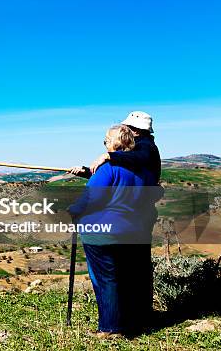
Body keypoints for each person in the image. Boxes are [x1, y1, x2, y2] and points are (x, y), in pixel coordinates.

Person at [68, 123, 160, 337]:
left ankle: (110, 329)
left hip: (102, 232)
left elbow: (92, 197)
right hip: (133, 231)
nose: (105, 144)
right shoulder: (145, 172)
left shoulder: (109, 168)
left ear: (116, 142)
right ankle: (131, 322)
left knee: (105, 278)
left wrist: (74, 209)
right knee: (126, 277)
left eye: (106, 140)